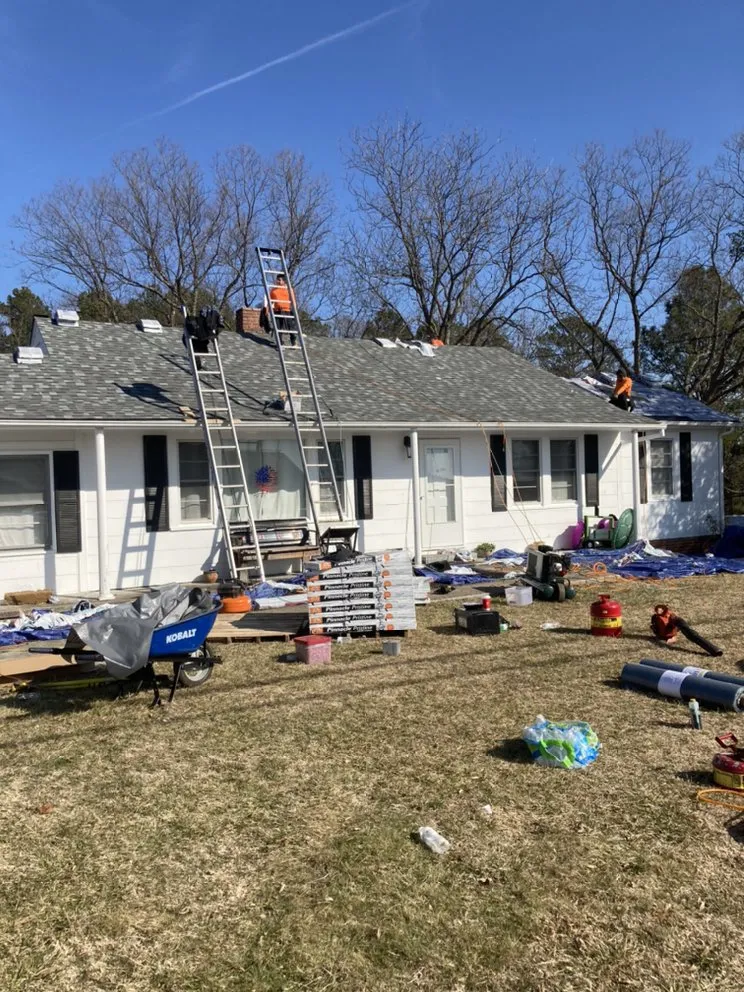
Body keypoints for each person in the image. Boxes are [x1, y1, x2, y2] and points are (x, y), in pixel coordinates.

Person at [269, 274, 297, 347]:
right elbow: (270, 301)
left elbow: (293, 300)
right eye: (277, 279)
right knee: (278, 327)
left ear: (284, 281)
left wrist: (294, 310)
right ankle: (280, 343)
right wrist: (268, 311)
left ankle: (293, 342)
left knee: (290, 326)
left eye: (279, 280)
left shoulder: (288, 289)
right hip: (277, 310)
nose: (277, 281)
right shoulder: (273, 290)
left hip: (287, 310)